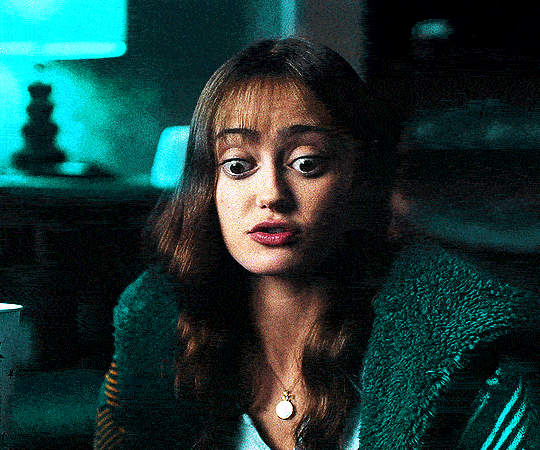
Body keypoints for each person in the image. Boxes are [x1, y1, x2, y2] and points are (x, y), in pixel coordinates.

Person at [94, 38, 540, 450]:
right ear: (206, 187)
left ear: (360, 178)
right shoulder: (155, 329)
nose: (271, 194)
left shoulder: (457, 348)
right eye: (238, 166)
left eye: (306, 163)